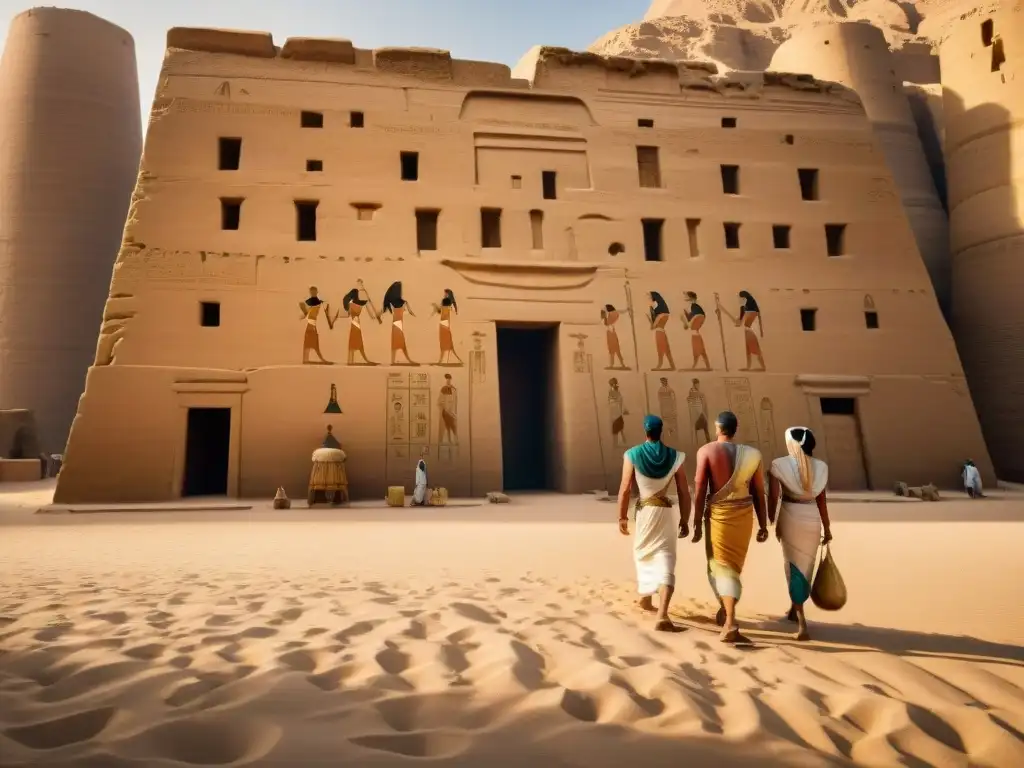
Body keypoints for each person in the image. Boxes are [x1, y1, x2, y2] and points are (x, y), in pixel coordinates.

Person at [691, 410, 768, 644]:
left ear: (717, 427)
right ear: (735, 428)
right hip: (744, 516)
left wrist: (696, 523)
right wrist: (763, 524)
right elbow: (758, 492)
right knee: (732, 566)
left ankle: (731, 622)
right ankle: (725, 610)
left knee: (721, 566)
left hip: (719, 515)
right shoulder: (753, 454)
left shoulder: (706, 451)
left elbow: (700, 489)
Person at [617, 415, 691, 632]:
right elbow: (683, 492)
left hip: (645, 512)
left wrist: (622, 516)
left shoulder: (632, 454)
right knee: (666, 556)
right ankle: (662, 612)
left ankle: (648, 599)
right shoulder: (675, 456)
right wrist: (685, 519)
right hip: (665, 512)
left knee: (643, 553)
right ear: (662, 431)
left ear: (645, 431)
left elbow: (625, 488)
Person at [767, 427, 832, 641]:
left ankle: (802, 623)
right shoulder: (821, 467)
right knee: (806, 567)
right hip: (812, 519)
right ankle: (795, 609)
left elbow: (774, 497)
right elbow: (821, 501)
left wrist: (771, 520)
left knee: (793, 567)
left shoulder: (779, 465)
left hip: (790, 516)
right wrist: (827, 527)